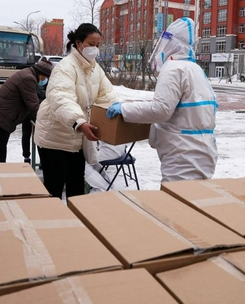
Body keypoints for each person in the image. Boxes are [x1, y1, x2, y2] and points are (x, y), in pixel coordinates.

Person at [107, 18, 218, 182]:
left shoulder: (173, 68)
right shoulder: (195, 69)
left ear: (171, 42)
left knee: (176, 202)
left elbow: (161, 110)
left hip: (182, 154)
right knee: (193, 200)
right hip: (203, 150)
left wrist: (124, 109)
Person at [33, 23, 118, 199]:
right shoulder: (66, 67)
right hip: (54, 138)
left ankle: (76, 224)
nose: (95, 49)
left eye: (98, 45)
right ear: (79, 44)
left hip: (78, 138)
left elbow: (107, 95)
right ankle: (53, 224)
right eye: (91, 44)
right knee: (54, 189)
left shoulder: (95, 69)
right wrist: (79, 122)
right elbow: (61, 97)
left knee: (77, 188)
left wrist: (116, 110)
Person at [0, 59, 53, 162]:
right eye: (46, 77)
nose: (45, 80)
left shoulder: (27, 73)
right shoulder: (29, 79)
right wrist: (45, 122)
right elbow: (33, 106)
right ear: (41, 74)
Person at [21, 76, 47, 163]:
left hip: (35, 114)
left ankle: (29, 157)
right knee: (29, 135)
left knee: (34, 136)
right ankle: (28, 157)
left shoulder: (46, 83)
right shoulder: (33, 82)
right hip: (32, 114)